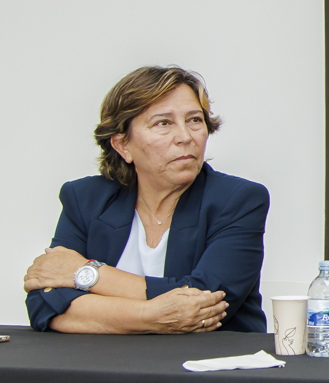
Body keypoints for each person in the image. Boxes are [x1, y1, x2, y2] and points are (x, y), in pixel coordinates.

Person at [23, 66, 269, 333]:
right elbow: (45, 304)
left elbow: (207, 300)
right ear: (122, 145)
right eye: (163, 123)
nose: (185, 137)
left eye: (194, 120)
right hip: (106, 360)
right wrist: (151, 315)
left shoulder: (239, 200)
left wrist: (87, 273)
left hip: (214, 359)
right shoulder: (85, 199)